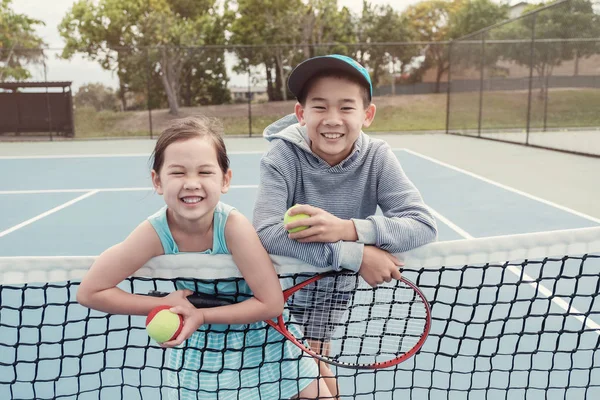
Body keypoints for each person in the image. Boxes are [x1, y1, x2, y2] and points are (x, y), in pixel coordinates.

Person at [77, 116, 332, 399]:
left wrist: (201, 314)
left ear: (225, 180)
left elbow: (270, 303)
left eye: (204, 172)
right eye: (178, 173)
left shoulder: (233, 228)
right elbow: (91, 291)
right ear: (157, 180)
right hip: (203, 355)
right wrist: (162, 303)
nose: (191, 183)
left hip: (264, 341)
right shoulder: (153, 233)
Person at [253, 54, 438, 397]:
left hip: (331, 294)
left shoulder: (378, 158)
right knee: (303, 380)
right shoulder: (282, 157)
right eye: (320, 107)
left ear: (367, 115)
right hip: (274, 292)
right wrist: (354, 255)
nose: (332, 120)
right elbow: (266, 233)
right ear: (301, 114)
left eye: (346, 108)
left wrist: (348, 229)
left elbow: (422, 225)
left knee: (318, 361)